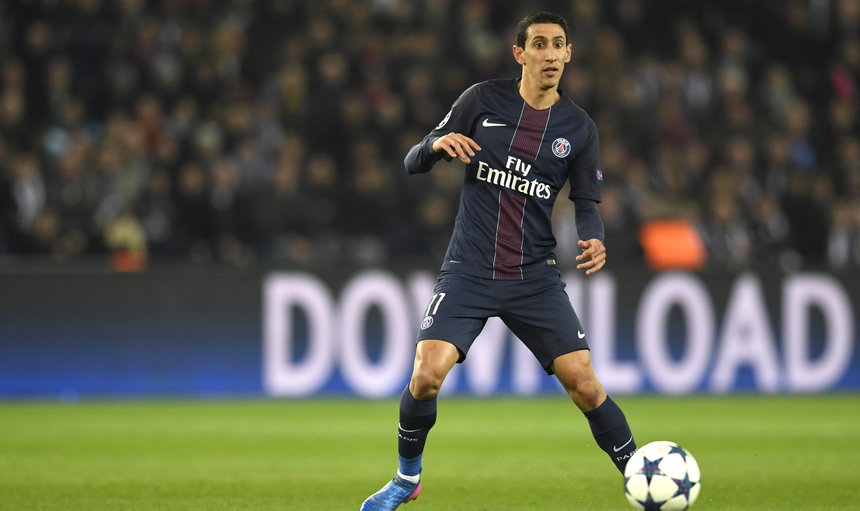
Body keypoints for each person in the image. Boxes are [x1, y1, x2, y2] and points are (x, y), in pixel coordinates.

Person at [360, 11, 638, 511]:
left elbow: (587, 204)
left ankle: (641, 474)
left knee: (585, 384)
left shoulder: (578, 128)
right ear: (520, 54)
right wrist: (436, 145)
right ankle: (406, 479)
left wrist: (595, 239)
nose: (550, 54)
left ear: (569, 53)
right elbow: (412, 159)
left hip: (534, 276)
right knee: (426, 373)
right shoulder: (482, 100)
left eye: (558, 45)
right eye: (539, 45)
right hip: (468, 269)